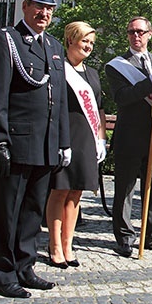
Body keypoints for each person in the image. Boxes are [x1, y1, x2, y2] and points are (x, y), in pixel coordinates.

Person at [0, 0, 71, 298]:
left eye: (49, 8)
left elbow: (59, 99)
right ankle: (3, 273)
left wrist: (63, 142)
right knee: (8, 210)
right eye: (38, 6)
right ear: (25, 6)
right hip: (17, 143)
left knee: (33, 210)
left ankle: (24, 266)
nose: (44, 13)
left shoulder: (54, 47)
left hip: (45, 145)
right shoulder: (7, 40)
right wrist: (0, 140)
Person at [105, 16, 152, 257]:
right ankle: (124, 237)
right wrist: (150, 83)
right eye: (131, 32)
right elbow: (123, 97)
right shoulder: (116, 65)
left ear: (150, 34)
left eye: (141, 32)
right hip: (129, 136)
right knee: (125, 190)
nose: (136, 36)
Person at [45, 21, 107, 268]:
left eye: (91, 43)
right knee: (59, 191)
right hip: (65, 136)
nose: (88, 46)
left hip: (87, 139)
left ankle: (68, 244)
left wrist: (102, 138)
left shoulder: (92, 73)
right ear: (71, 39)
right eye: (84, 41)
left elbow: (99, 107)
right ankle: (54, 245)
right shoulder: (58, 68)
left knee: (76, 192)